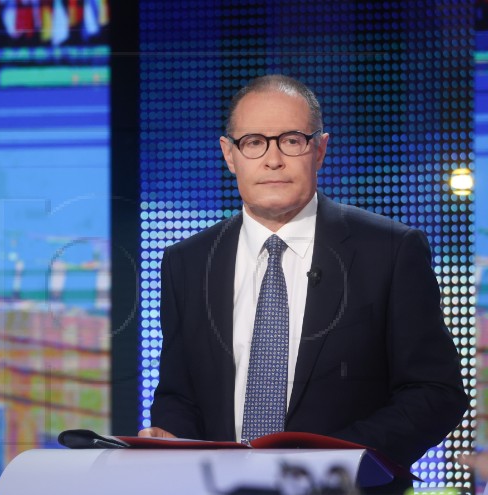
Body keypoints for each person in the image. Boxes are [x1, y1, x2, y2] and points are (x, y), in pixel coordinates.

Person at [139, 75, 467, 475]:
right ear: (229, 155)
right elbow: (178, 395)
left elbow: (435, 393)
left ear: (320, 149)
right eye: (254, 142)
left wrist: (332, 464)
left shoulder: (392, 250)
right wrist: (173, 442)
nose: (272, 159)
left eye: (291, 140)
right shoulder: (185, 261)